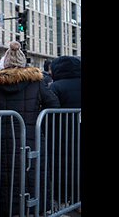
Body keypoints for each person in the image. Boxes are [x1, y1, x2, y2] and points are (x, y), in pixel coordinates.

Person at [0, 41, 60, 216]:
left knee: (6, 175)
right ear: (22, 61)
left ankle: (6, 209)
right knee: (31, 172)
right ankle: (35, 208)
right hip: (31, 137)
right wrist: (39, 119)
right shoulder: (35, 82)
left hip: (4, 136)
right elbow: (54, 104)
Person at [49, 56, 81, 209]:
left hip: (60, 137)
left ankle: (63, 202)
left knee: (61, 169)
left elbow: (50, 110)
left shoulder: (56, 87)